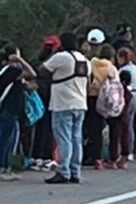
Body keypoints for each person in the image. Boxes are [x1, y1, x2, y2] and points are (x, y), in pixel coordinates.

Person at [42, 32, 90, 184]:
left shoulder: (61, 57)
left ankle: (63, 170)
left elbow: (42, 70)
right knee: (76, 138)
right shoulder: (85, 60)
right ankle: (75, 171)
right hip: (80, 102)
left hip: (63, 103)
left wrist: (51, 53)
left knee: (63, 138)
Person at [0, 43, 36, 181]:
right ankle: (3, 167)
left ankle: (7, 166)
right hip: (9, 107)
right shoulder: (10, 70)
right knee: (6, 139)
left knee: (11, 138)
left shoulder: (6, 71)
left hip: (10, 108)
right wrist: (21, 61)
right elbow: (32, 73)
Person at [84, 43, 118, 169]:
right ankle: (106, 157)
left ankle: (93, 156)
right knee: (108, 128)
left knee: (93, 129)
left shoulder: (92, 64)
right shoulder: (111, 68)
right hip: (106, 99)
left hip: (91, 96)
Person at [29, 35, 61, 171]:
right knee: (48, 127)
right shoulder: (56, 62)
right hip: (51, 95)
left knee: (40, 127)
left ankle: (37, 157)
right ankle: (46, 157)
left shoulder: (36, 61)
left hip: (39, 95)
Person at [116, 47, 136, 160]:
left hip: (126, 95)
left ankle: (125, 150)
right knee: (130, 124)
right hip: (135, 95)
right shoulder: (135, 68)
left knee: (125, 125)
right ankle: (131, 148)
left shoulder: (123, 70)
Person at [108, 71, 134, 169]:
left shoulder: (117, 90)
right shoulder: (128, 92)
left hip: (116, 116)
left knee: (115, 138)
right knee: (125, 137)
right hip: (125, 116)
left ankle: (113, 160)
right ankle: (124, 159)